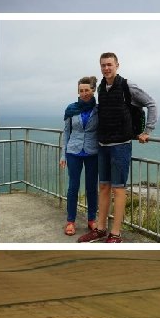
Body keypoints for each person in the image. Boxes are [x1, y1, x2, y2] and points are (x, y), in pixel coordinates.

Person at [78, 52, 158, 243]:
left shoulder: (126, 86)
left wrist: (147, 130)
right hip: (103, 145)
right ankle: (100, 229)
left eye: (109, 65)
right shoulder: (102, 89)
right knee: (104, 187)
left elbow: (151, 103)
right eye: (103, 65)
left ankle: (116, 233)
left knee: (119, 189)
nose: (106, 68)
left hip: (121, 146)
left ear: (117, 65)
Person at [60, 76, 99, 236]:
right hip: (73, 152)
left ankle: (91, 219)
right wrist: (63, 155)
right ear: (78, 91)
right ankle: (70, 221)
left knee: (91, 187)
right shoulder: (71, 109)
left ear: (93, 90)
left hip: (93, 152)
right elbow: (66, 132)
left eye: (87, 90)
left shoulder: (98, 110)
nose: (84, 93)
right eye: (81, 91)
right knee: (73, 187)